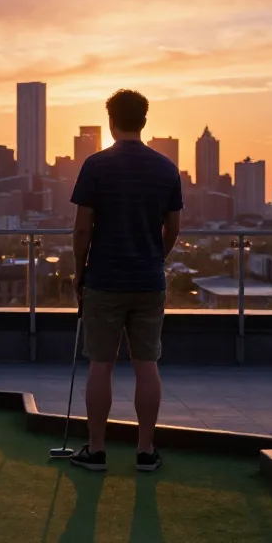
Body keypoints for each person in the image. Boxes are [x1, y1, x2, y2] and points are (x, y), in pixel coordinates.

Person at [69, 89, 182, 473]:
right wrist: (156, 257)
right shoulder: (166, 168)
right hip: (148, 279)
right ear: (144, 121)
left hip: (104, 278)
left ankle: (96, 451)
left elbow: (83, 227)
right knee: (146, 364)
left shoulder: (96, 165)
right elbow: (174, 227)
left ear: (111, 121)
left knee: (101, 364)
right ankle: (146, 451)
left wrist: (79, 271)